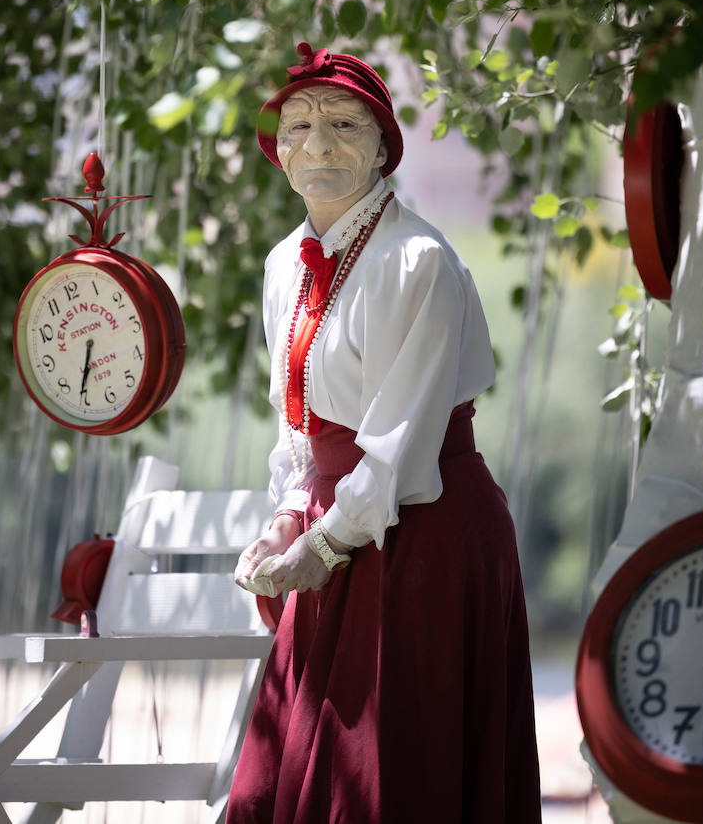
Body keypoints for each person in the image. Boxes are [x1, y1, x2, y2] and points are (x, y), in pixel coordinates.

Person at [228, 43, 542, 823]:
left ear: (381, 147)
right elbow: (298, 425)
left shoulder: (419, 260)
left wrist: (324, 544)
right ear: (276, 150)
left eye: (343, 123)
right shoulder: (280, 266)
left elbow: (402, 441)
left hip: (426, 531)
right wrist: (285, 519)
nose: (318, 142)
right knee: (291, 773)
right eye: (297, 124)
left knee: (391, 771)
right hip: (337, 528)